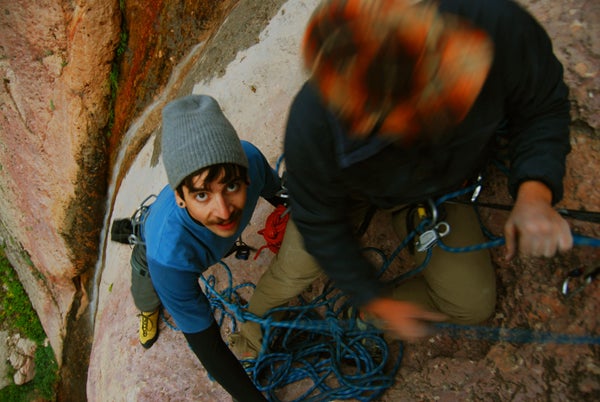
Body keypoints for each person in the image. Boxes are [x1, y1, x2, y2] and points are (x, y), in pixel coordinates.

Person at [235, 0, 574, 352]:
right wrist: (371, 294)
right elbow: (319, 222)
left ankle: (355, 321)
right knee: (294, 269)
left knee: (472, 302)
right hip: (346, 188)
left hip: (430, 189)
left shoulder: (495, 29)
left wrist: (535, 191)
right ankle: (250, 329)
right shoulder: (314, 125)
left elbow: (543, 105)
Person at [128, 94, 283, 401]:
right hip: (155, 248)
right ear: (180, 197)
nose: (225, 211)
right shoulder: (168, 257)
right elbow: (209, 347)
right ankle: (146, 310)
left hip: (198, 243)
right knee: (148, 290)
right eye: (202, 195)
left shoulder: (249, 159)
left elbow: (279, 194)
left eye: (231, 186)